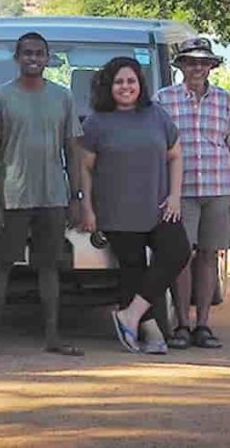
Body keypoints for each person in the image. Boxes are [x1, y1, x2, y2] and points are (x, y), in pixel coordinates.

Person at [0, 32, 85, 360]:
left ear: (48, 58)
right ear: (17, 58)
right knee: (2, 265)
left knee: (49, 267)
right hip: (12, 198)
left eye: (39, 53)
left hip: (52, 197)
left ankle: (53, 337)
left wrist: (75, 195)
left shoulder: (63, 98)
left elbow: (72, 150)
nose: (33, 58)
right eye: (27, 53)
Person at [78, 56, 190, 354]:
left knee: (177, 251)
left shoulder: (157, 116)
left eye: (131, 81)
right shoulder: (96, 122)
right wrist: (86, 208)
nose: (125, 87)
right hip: (116, 209)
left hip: (159, 206)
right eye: (119, 82)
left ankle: (130, 314)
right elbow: (84, 169)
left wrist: (175, 196)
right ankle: (149, 331)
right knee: (133, 268)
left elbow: (176, 155)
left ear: (140, 84)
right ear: (108, 86)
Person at [155, 38, 230, 350]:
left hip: (218, 189)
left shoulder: (224, 100)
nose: (197, 68)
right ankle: (182, 323)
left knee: (210, 255)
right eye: (191, 62)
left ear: (212, 66)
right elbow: (156, 147)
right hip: (179, 193)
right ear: (180, 66)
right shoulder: (163, 100)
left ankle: (204, 324)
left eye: (203, 62)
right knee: (181, 257)